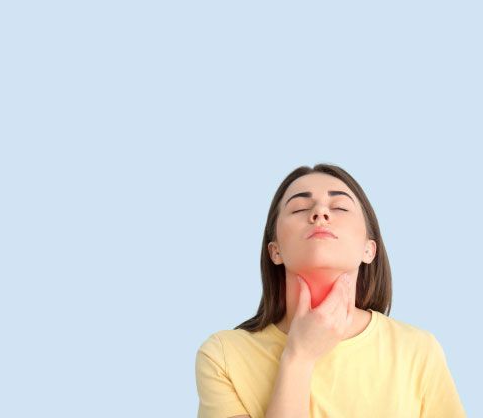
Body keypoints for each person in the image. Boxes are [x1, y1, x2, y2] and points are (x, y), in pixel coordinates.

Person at [194, 163, 466, 418]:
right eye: (299, 208)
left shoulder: (417, 349)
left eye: (340, 207)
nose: (320, 213)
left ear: (369, 249)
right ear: (275, 251)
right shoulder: (223, 356)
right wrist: (298, 358)